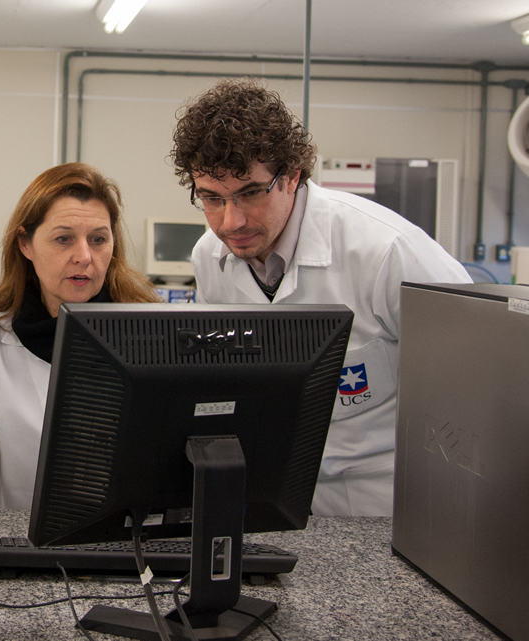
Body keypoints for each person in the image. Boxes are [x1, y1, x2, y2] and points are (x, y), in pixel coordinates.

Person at [171, 79, 472, 517]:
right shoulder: (209, 257)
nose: (231, 221)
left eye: (250, 193)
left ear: (292, 175)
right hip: (275, 492)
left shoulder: (387, 252)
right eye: (212, 199)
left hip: (387, 502)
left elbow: (482, 386)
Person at [0, 163, 161, 551]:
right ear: (25, 244)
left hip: (141, 549)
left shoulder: (152, 334)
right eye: (63, 239)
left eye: (98, 239)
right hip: (25, 546)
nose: (84, 256)